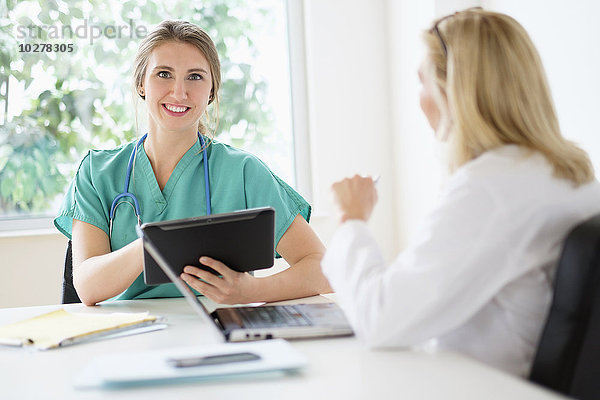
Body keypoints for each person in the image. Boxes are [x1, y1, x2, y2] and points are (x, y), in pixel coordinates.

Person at [322, 8, 600, 377]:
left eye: (423, 83)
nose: (420, 99)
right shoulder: (570, 174)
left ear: (456, 91)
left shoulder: (490, 188)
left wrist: (352, 221)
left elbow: (380, 318)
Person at [54, 20, 332, 306]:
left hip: (217, 331)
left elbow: (324, 268)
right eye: (163, 74)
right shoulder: (97, 172)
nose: (179, 92)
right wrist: (156, 243)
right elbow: (87, 287)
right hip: (126, 335)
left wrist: (252, 291)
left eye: (195, 77)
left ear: (211, 91)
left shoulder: (244, 172)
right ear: (141, 84)